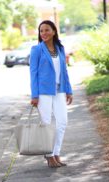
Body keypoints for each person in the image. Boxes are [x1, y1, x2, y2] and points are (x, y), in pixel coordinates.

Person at [29, 20, 73, 168]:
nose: (44, 33)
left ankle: (56, 153)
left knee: (62, 122)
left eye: (47, 30)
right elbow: (33, 74)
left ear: (54, 31)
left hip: (59, 90)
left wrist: (69, 90)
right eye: (41, 31)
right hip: (43, 93)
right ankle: (49, 156)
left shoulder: (60, 48)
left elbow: (65, 72)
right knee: (46, 124)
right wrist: (34, 96)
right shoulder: (36, 50)